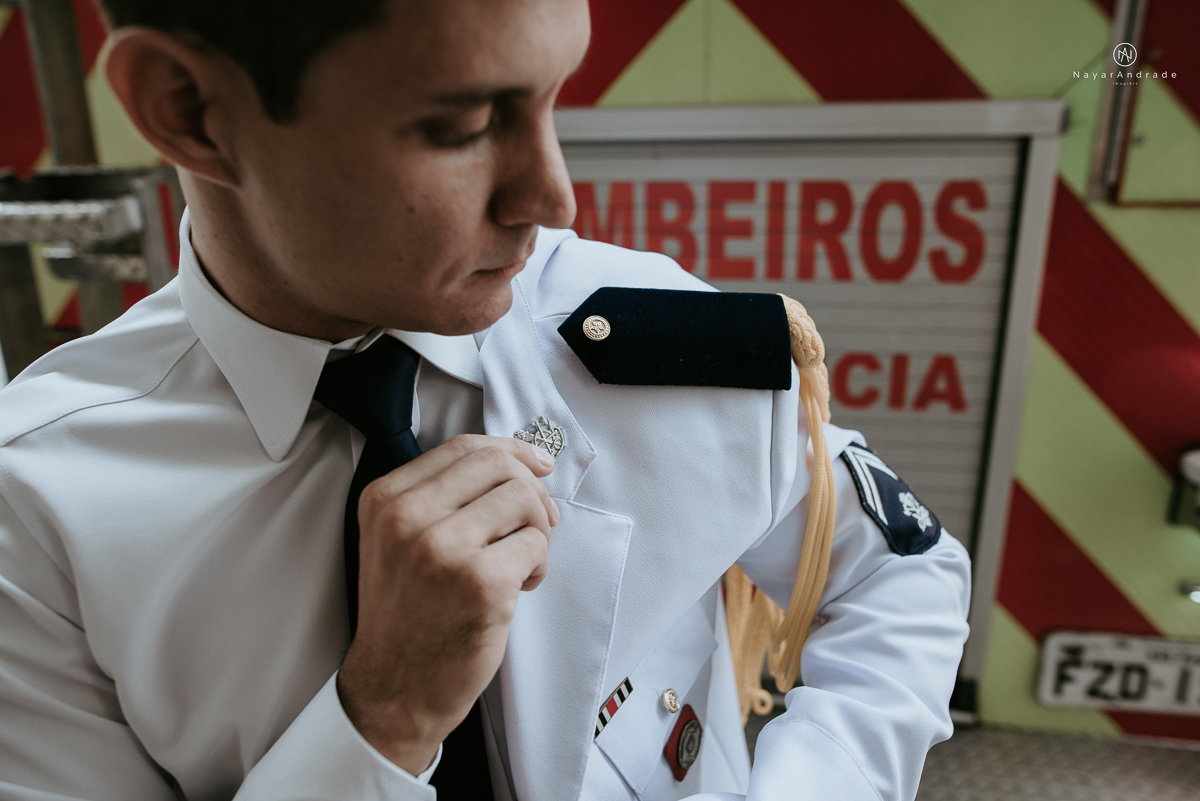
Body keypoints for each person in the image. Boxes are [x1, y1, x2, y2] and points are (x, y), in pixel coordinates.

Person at [0, 1, 971, 799]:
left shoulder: (655, 336)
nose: (554, 197)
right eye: (463, 125)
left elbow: (898, 575)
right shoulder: (38, 518)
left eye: (556, 98)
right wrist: (382, 722)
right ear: (188, 109)